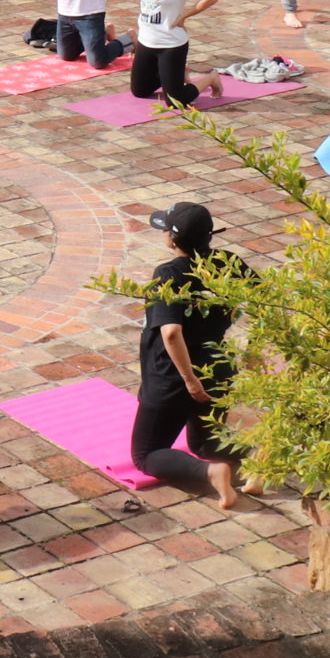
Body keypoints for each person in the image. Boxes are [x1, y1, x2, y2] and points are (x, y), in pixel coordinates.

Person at [132, 202, 255, 510]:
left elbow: (171, 332)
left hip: (172, 377)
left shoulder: (169, 274)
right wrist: (254, 349)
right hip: (218, 367)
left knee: (146, 454)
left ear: (172, 240)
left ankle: (211, 473)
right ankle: (257, 461)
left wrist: (189, 380)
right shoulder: (228, 262)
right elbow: (268, 301)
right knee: (205, 441)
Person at [129, 0, 224, 110]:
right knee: (139, 91)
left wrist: (184, 16)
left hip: (170, 44)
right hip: (146, 41)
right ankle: (176, 75)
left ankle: (211, 78)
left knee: (175, 101)